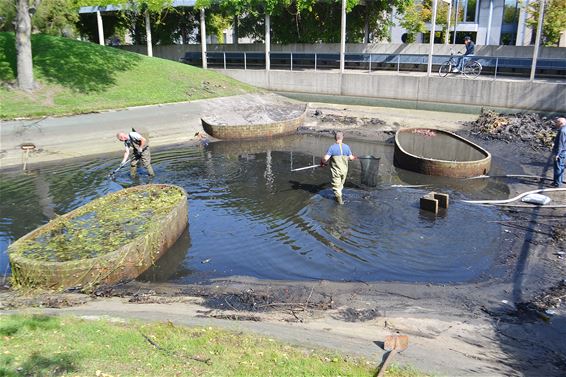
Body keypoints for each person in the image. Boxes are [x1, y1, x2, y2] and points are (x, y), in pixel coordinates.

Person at [320, 131, 357, 204]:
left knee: (336, 188)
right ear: (342, 138)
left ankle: (340, 203)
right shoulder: (347, 147)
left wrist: (322, 162)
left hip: (336, 171)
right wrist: (354, 157)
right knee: (340, 186)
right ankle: (338, 196)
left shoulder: (332, 147)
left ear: (335, 138)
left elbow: (325, 159)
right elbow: (351, 158)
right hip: (344, 171)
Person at [552, 117, 566, 187]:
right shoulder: (564, 129)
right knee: (561, 166)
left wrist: (557, 154)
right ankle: (558, 181)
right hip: (564, 151)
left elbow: (560, 143)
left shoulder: (562, 131)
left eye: (557, 122)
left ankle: (557, 183)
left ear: (561, 123)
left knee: (557, 167)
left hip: (560, 152)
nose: (555, 124)